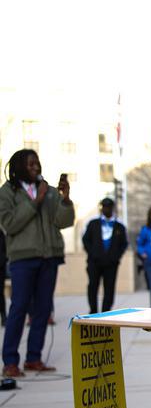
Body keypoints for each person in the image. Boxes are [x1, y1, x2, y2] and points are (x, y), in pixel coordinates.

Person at [0, 149, 74, 376]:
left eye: (37, 163)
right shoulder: (7, 193)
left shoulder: (49, 191)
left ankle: (34, 358)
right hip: (23, 259)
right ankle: (10, 362)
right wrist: (36, 201)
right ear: (19, 166)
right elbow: (9, 224)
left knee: (42, 309)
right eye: (31, 164)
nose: (36, 167)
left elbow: (64, 222)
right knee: (19, 307)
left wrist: (65, 199)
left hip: (48, 258)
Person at [82, 198, 128, 314]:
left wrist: (116, 256)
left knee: (109, 287)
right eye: (104, 206)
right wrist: (92, 253)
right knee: (93, 286)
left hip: (111, 263)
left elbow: (124, 244)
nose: (107, 209)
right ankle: (93, 311)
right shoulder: (93, 224)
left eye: (109, 207)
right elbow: (86, 240)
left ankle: (106, 312)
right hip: (94, 262)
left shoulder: (119, 226)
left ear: (113, 208)